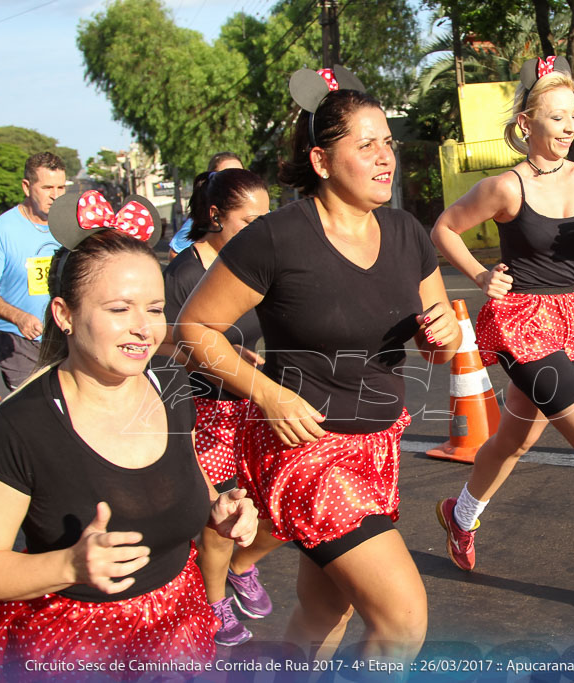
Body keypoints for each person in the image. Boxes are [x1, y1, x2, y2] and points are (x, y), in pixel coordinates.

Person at [176, 67, 461, 664]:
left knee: (324, 610)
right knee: (403, 621)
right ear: (322, 160)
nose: (385, 158)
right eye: (366, 145)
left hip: (378, 449)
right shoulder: (277, 239)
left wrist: (445, 336)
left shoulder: (408, 233)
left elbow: (439, 340)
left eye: (388, 142)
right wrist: (267, 394)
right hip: (309, 454)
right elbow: (195, 328)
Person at [430, 56, 574, 614]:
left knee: (516, 439)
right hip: (520, 326)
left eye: (573, 118)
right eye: (556, 118)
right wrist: (481, 275)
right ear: (526, 124)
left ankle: (458, 517)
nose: (568, 128)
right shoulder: (505, 188)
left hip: (567, 323)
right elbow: (443, 227)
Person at [0, 190, 258, 677]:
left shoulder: (173, 386)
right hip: (74, 648)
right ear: (64, 314)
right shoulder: (20, 425)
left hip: (181, 630)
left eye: (155, 309)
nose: (144, 329)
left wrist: (220, 511)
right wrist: (66, 568)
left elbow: (192, 481)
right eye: (119, 309)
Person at [163, 168, 279, 647]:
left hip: (253, 403)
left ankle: (241, 566)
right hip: (203, 412)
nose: (262, 229)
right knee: (222, 515)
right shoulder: (184, 273)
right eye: (249, 220)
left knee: (280, 502)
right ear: (215, 217)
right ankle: (213, 601)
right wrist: (222, 363)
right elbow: (161, 344)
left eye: (265, 218)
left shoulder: (256, 262)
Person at [0, 152, 67, 390]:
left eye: (61, 187)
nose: (55, 195)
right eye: (47, 187)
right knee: (33, 411)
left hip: (64, 336)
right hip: (20, 340)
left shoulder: (70, 227)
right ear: (27, 187)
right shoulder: (2, 230)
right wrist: (19, 317)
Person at [168, 152, 243, 260]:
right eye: (226, 176)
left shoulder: (260, 209)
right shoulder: (203, 218)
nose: (234, 181)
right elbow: (175, 254)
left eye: (240, 174)